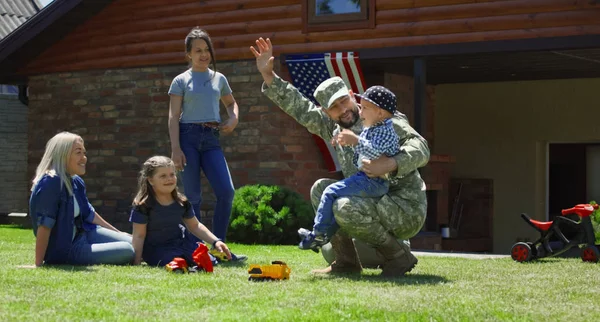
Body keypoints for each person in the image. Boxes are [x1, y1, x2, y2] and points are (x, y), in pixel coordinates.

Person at [250, 38, 430, 277]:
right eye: (334, 106)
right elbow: (301, 107)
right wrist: (269, 75)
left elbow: (421, 147)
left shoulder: (382, 118)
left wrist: (391, 163)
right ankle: (346, 262)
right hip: (372, 201)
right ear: (326, 112)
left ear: (353, 95)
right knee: (320, 188)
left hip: (405, 207)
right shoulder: (333, 127)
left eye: (344, 100)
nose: (343, 109)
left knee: (343, 206)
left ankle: (398, 257)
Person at [167, 27, 246, 261]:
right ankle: (197, 251)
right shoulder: (180, 80)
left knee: (226, 191)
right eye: (198, 50)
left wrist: (233, 118)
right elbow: (173, 116)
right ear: (188, 54)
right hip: (187, 137)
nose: (204, 54)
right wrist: (175, 149)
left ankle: (219, 248)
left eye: (207, 50)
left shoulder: (218, 78)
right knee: (193, 197)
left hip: (212, 139)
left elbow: (231, 103)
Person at [298, 85, 401, 251]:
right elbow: (362, 151)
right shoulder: (374, 125)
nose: (360, 110)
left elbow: (374, 151)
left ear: (380, 113)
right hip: (367, 179)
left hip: (375, 183)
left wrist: (355, 141)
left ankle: (318, 232)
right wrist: (342, 139)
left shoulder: (387, 129)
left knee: (330, 192)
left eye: (366, 108)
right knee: (327, 192)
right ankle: (322, 236)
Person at [29, 132, 134, 267]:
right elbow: (44, 225)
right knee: (127, 250)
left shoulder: (76, 181)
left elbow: (89, 214)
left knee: (134, 242)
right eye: (78, 153)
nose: (84, 158)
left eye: (84, 153)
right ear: (62, 154)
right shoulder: (50, 182)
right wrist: (38, 264)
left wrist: (118, 232)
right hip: (68, 249)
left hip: (85, 233)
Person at [129, 156, 233, 267]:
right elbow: (139, 235)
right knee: (177, 263)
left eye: (172, 174)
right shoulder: (143, 206)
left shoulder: (182, 202)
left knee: (206, 261)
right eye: (163, 176)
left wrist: (216, 241)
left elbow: (195, 226)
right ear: (150, 180)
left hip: (181, 244)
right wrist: (137, 261)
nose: (169, 179)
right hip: (157, 249)